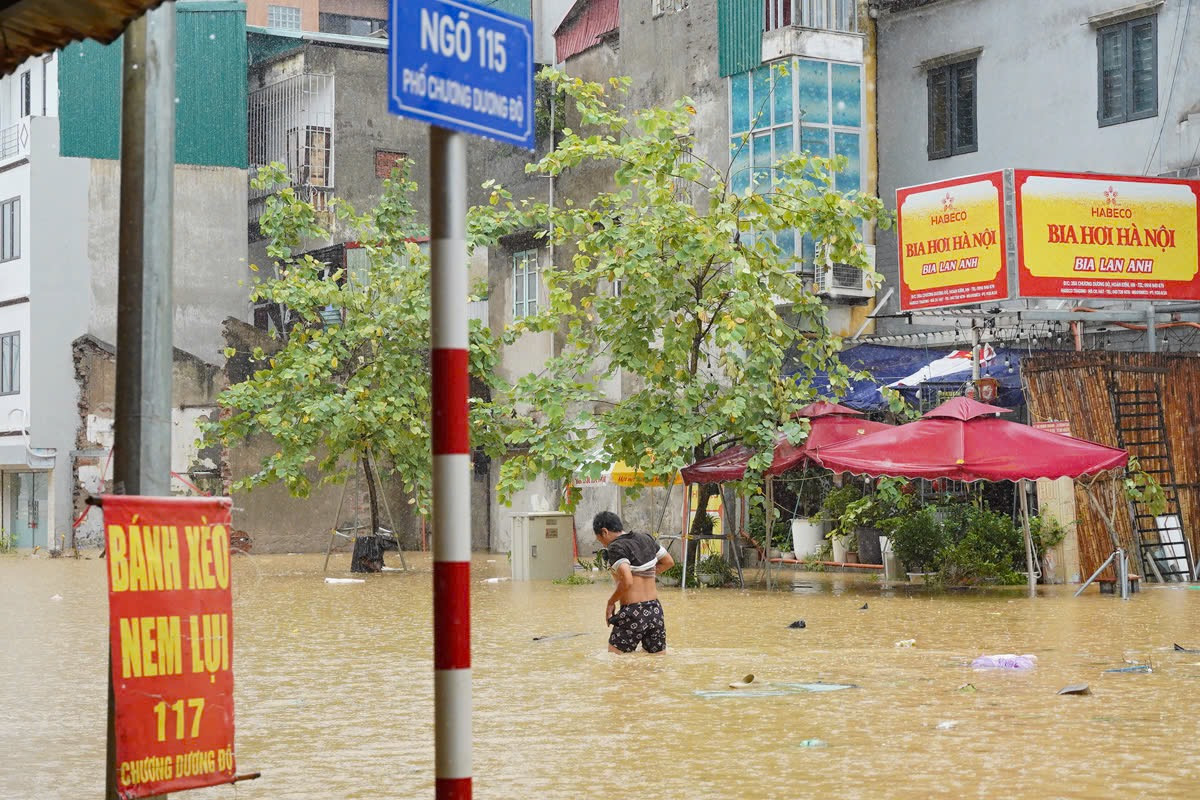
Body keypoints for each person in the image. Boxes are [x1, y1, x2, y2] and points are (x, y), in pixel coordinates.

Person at [593, 510, 674, 654]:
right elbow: (668, 562)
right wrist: (646, 575)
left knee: (616, 662)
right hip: (655, 610)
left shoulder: (615, 547)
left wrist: (611, 602)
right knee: (657, 662)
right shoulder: (646, 538)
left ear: (604, 532)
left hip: (633, 612)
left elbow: (628, 581)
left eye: (600, 540)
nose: (604, 545)